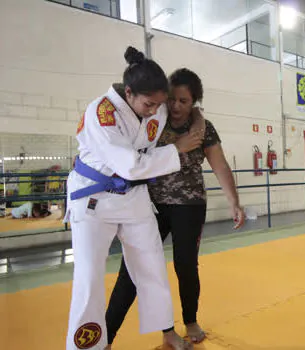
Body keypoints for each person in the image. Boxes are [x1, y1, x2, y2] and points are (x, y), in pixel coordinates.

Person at [65, 47, 203, 350]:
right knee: (89, 277)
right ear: (128, 93)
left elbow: (188, 109)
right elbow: (128, 164)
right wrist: (176, 149)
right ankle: (88, 346)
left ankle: (167, 331)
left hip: (134, 196)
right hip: (94, 200)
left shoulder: (157, 106)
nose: (155, 111)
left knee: (152, 265)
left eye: (159, 104)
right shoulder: (101, 113)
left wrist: (199, 120)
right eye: (148, 104)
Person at [105, 68, 245, 347]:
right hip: (148, 205)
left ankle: (189, 320)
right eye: (172, 99)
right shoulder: (153, 119)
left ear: (194, 102)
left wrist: (234, 202)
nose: (176, 106)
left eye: (184, 101)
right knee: (132, 269)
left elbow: (220, 165)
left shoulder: (203, 127)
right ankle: (106, 335)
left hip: (189, 205)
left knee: (185, 266)